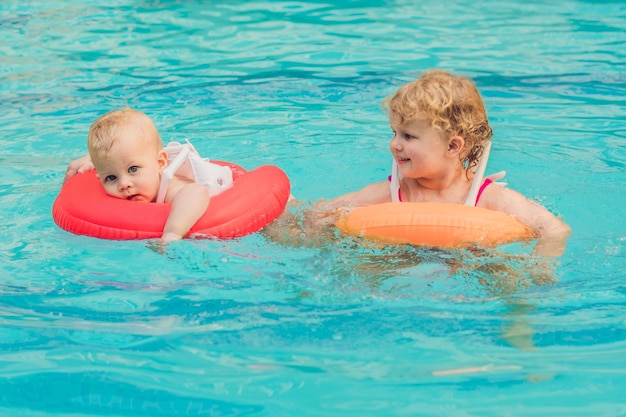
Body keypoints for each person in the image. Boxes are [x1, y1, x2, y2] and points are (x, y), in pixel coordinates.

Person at [301, 69, 571, 256]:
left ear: (453, 146)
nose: (395, 144)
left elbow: (554, 229)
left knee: (502, 276)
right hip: (400, 261)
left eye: (408, 136)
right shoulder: (393, 193)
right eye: (394, 132)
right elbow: (319, 213)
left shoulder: (486, 198)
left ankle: (518, 319)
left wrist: (539, 268)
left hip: (469, 264)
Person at [72, 107, 233, 243]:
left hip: (229, 217)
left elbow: (197, 192)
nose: (124, 184)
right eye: (111, 177)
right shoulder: (133, 175)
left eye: (133, 169)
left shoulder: (171, 186)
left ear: (160, 163)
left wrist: (173, 233)